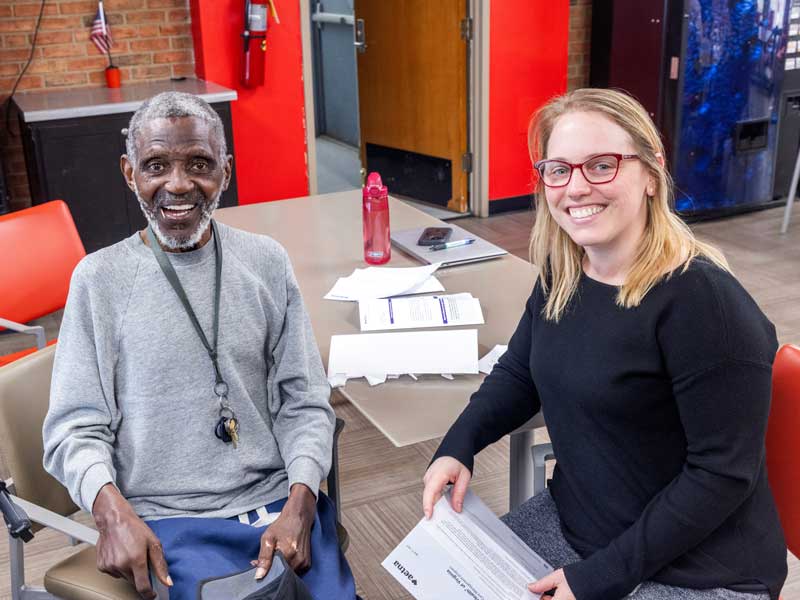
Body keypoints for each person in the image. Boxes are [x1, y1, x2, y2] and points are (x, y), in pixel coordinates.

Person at [422, 88, 787, 600]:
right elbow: (520, 372)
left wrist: (598, 578)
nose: (575, 188)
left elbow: (721, 476)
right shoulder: (564, 271)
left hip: (698, 567)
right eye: (558, 169)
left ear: (651, 175)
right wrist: (458, 445)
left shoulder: (704, 304)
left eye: (601, 165)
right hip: (581, 523)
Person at [43, 91, 356, 600]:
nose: (178, 184)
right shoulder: (99, 280)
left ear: (225, 172)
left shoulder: (266, 263)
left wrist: (302, 500)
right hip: (168, 523)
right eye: (156, 165)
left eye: (199, 164)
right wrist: (110, 511)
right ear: (129, 173)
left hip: (278, 504)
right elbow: (71, 430)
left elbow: (305, 401)